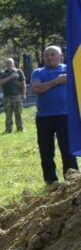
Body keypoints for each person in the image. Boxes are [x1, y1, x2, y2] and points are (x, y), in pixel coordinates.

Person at [31, 46, 77, 184]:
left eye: (52, 54)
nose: (49, 57)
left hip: (66, 116)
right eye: (46, 55)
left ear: (61, 56)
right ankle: (51, 182)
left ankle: (73, 180)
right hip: (44, 118)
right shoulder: (38, 72)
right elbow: (36, 89)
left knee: (68, 150)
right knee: (46, 151)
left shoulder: (71, 69)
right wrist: (57, 81)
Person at [0, 58, 26, 134]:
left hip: (17, 96)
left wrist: (23, 94)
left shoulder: (19, 72)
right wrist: (10, 77)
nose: (9, 64)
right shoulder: (3, 73)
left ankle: (20, 129)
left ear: (13, 63)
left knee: (19, 113)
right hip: (7, 97)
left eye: (10, 63)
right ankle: (8, 130)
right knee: (8, 114)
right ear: (5, 64)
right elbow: (0, 82)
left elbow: (23, 84)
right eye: (7, 63)